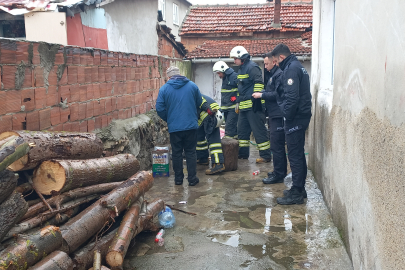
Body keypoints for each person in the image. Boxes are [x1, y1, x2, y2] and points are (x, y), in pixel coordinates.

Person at [271, 44, 312, 205]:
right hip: (301, 116)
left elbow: (292, 98)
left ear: (281, 57)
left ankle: (296, 193)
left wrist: (287, 117)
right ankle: (299, 189)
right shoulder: (297, 66)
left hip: (296, 118)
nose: (275, 65)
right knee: (298, 154)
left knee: (294, 155)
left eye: (275, 61)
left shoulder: (291, 69)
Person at [155, 66, 202, 186]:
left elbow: (159, 108)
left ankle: (178, 179)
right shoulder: (192, 86)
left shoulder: (164, 89)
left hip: (175, 127)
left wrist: (169, 118)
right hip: (191, 126)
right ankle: (192, 179)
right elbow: (199, 102)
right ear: (179, 74)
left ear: (169, 76)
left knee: (176, 153)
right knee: (191, 152)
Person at [229, 46, 272, 163]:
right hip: (243, 107)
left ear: (242, 57)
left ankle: (266, 156)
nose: (234, 61)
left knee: (259, 131)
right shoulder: (241, 69)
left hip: (253, 107)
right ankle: (243, 154)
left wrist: (256, 101)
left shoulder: (252, 67)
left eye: (235, 58)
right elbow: (242, 88)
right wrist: (238, 101)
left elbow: (259, 84)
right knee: (242, 132)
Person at [252, 52, 288, 185]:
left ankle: (279, 174)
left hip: (278, 115)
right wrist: (262, 93)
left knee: (277, 146)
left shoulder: (279, 75)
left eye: (267, 64)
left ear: (274, 62)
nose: (265, 67)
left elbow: (277, 95)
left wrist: (262, 96)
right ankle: (279, 171)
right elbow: (271, 92)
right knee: (275, 146)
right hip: (273, 114)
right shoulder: (273, 75)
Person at [196, 94, 226, 174]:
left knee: (214, 141)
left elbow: (201, 101)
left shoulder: (189, 93)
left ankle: (218, 164)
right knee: (199, 136)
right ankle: (202, 158)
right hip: (208, 113)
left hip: (210, 113)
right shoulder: (188, 92)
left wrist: (208, 109)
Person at [212, 61, 238, 139]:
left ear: (224, 70)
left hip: (233, 109)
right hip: (227, 109)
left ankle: (229, 149)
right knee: (233, 131)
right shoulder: (226, 78)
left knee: (229, 131)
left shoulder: (234, 77)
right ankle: (235, 147)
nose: (219, 75)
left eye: (219, 73)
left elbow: (241, 90)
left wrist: (235, 98)